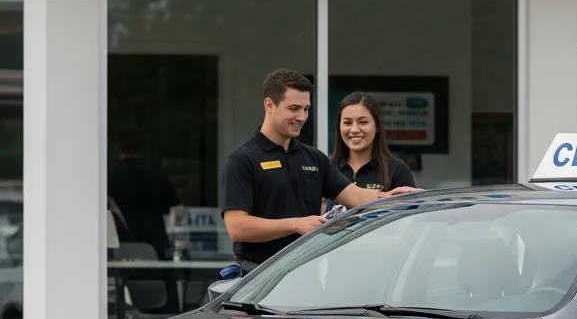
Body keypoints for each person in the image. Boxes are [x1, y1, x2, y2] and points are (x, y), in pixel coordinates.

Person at [221, 69, 410, 272]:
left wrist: (392, 197)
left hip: (306, 277)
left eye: (306, 109)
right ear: (269, 105)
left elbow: (356, 197)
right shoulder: (242, 160)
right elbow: (237, 227)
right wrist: (296, 225)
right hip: (259, 278)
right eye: (294, 108)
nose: (302, 117)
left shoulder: (314, 159)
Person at [107, 126, 179, 259]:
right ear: (142, 147)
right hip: (155, 244)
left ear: (117, 147)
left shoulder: (108, 178)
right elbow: (172, 205)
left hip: (120, 248)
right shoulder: (155, 176)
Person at [331, 91, 416, 192]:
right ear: (339, 126)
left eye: (363, 122)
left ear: (377, 126)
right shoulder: (327, 169)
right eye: (347, 122)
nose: (354, 130)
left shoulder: (397, 171)